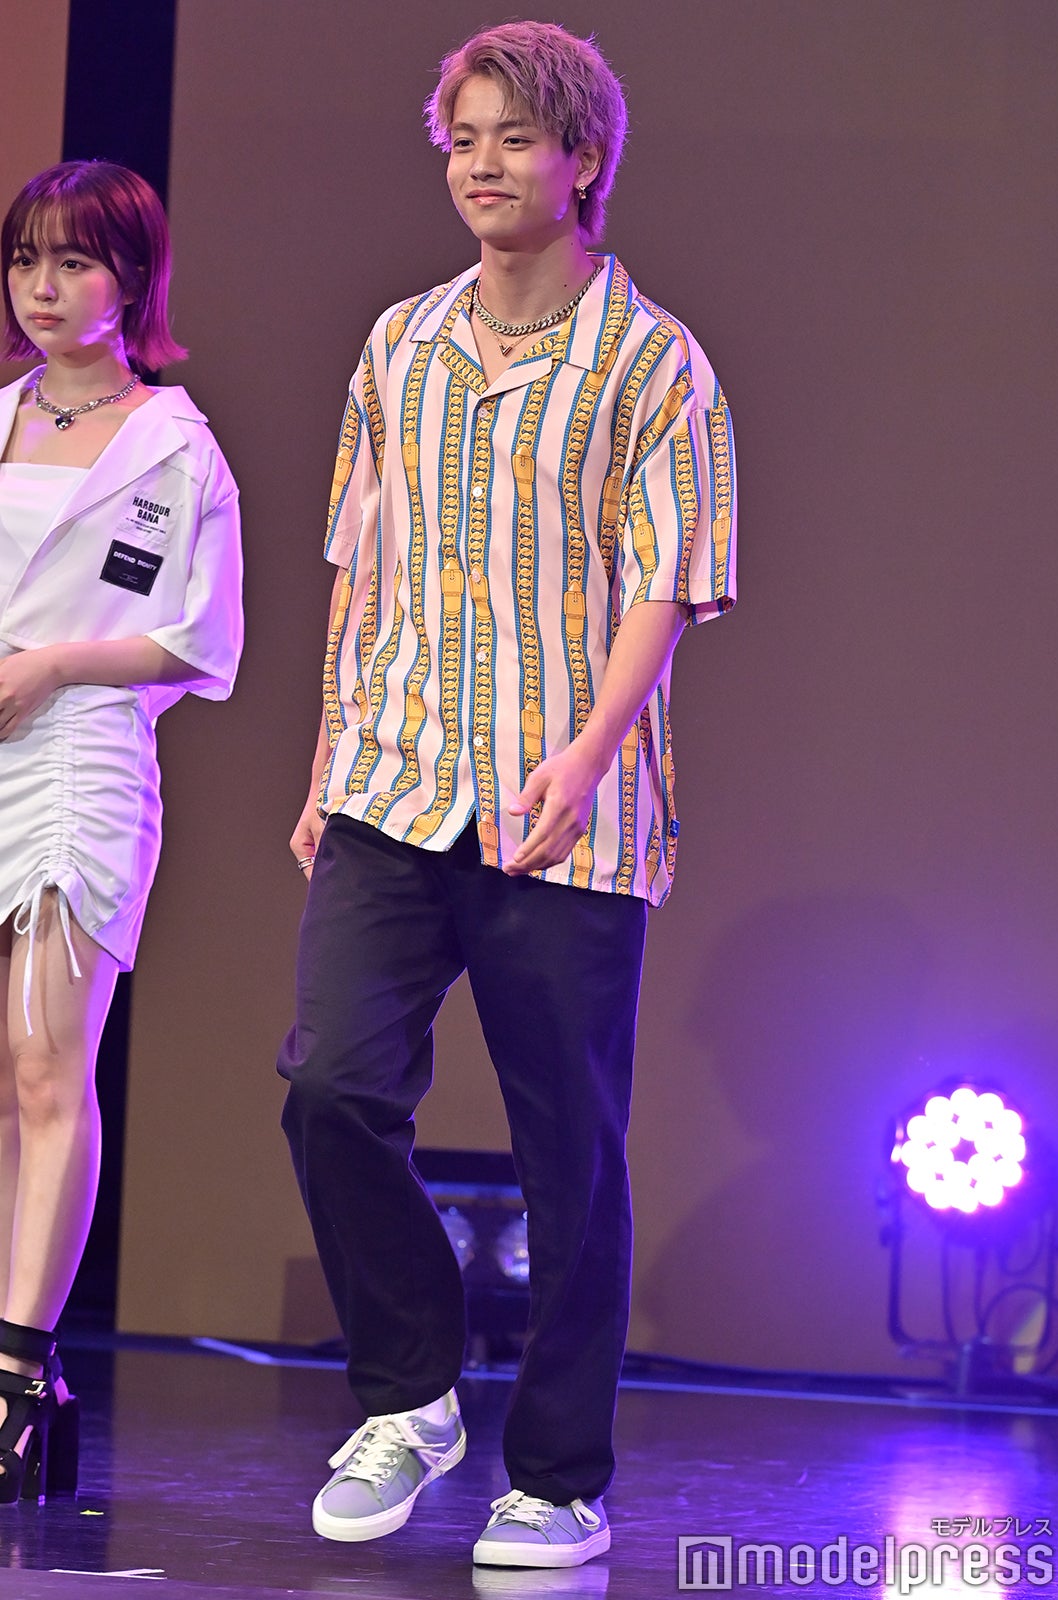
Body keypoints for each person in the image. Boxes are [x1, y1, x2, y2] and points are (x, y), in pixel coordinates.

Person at [278, 19, 735, 1570]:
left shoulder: (650, 359)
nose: (480, 165)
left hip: (568, 812)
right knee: (332, 1086)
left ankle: (556, 1478)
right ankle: (411, 1395)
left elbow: (666, 583)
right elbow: (360, 565)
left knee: (568, 1159)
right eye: (462, 138)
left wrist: (589, 752)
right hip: (393, 781)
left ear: (581, 160)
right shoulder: (401, 343)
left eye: (513, 139)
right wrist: (327, 753)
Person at [0, 160, 242, 1501]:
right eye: (26, 259)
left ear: (131, 279)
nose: (43, 288)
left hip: (78, 757)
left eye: (75, 261)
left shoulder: (172, 445)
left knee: (48, 1067)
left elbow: (199, 640)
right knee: (0, 1079)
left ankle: (17, 1375)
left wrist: (51, 667)